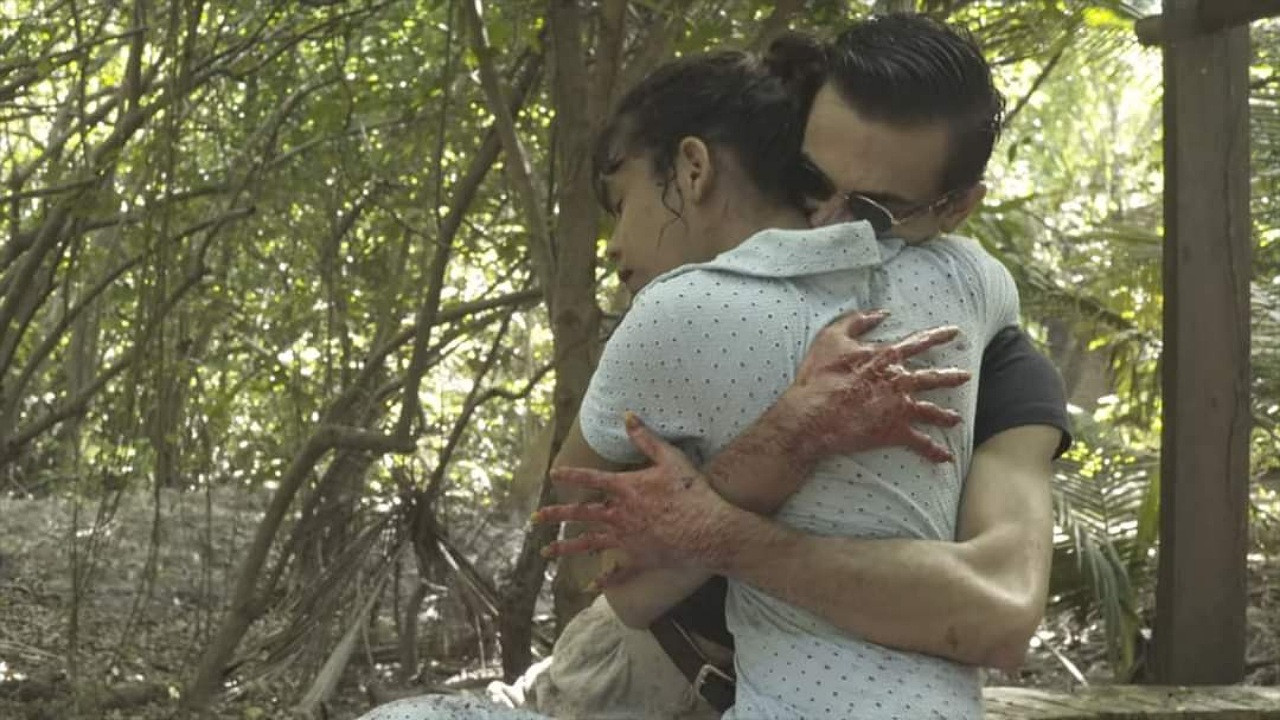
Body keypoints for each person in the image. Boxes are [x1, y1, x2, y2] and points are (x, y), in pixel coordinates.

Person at [359, 14, 1069, 720]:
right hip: (627, 668)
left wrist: (719, 531)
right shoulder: (694, 319)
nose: (832, 225)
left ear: (955, 210)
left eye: (878, 213)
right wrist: (785, 440)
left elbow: (1000, 612)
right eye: (808, 180)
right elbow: (604, 572)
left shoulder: (972, 339)